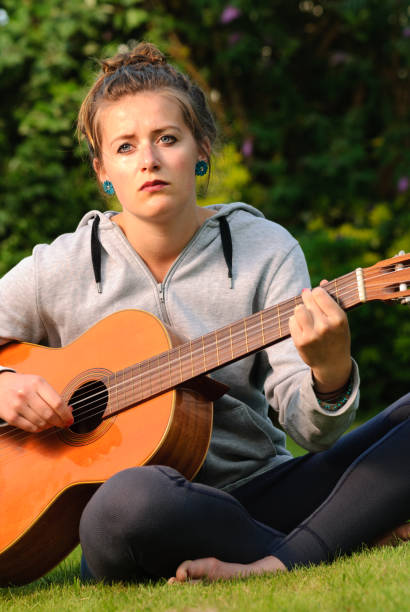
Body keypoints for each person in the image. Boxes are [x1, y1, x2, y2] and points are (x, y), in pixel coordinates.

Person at [0, 42, 408, 584]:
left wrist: (329, 374)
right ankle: (344, 531)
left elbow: (313, 434)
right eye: (125, 147)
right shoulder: (64, 265)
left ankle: (277, 561)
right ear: (103, 170)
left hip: (261, 492)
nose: (148, 160)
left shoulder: (267, 248)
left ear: (200, 150)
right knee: (131, 497)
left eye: (166, 138)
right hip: (137, 509)